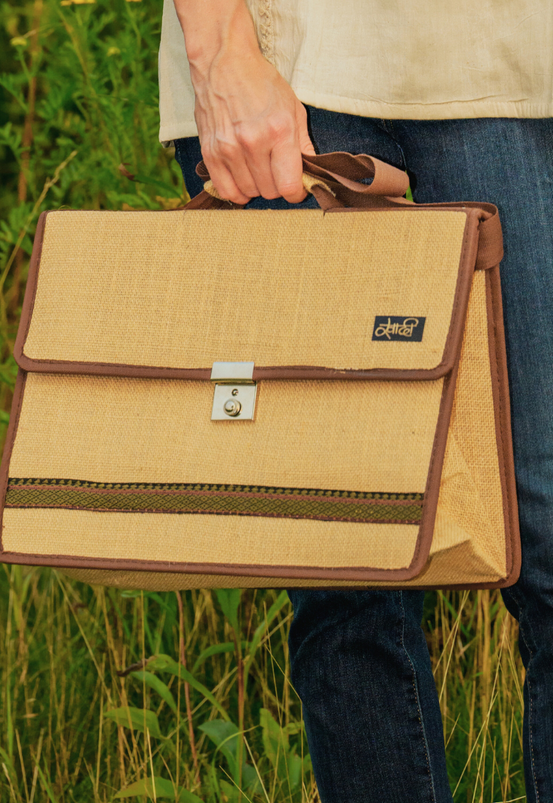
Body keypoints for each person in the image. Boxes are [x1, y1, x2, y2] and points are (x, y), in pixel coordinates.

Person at [158, 2, 553, 801]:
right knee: (343, 563)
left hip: (508, 60)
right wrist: (222, 54)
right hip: (292, 63)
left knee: (545, 538)